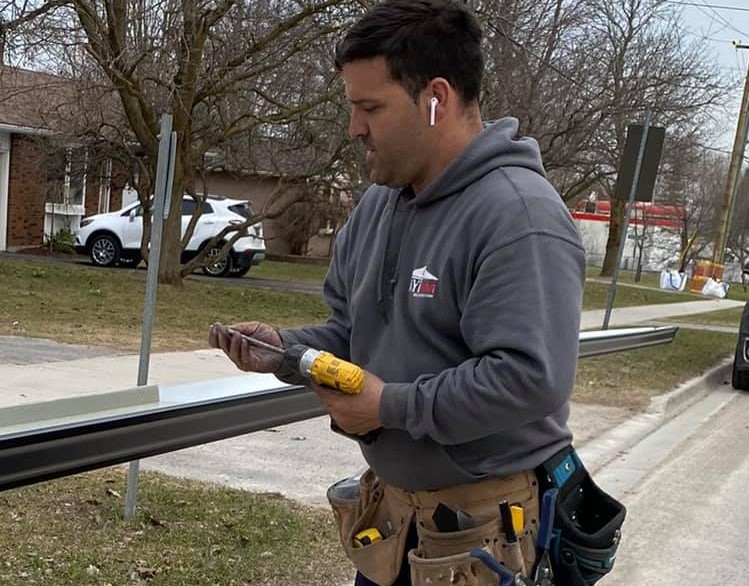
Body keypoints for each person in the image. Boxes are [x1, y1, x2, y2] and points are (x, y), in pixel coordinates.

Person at [209, 1, 597, 585]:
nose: (354, 128)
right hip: (394, 523)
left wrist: (388, 406)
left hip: (485, 534)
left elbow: (528, 379)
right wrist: (289, 352)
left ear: (435, 97)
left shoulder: (518, 216)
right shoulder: (378, 205)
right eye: (351, 107)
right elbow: (353, 331)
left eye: (370, 107)